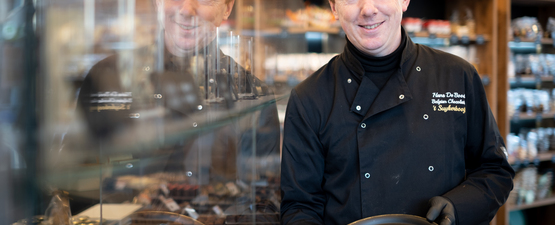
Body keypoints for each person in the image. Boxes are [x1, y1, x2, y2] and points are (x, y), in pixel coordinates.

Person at [280, 0, 515, 225]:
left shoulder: (457, 76)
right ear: (334, 7)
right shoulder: (309, 97)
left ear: (404, 0)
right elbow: (300, 207)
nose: (368, 9)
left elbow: (495, 170)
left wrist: (459, 207)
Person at [74, 0, 280, 212]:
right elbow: (76, 187)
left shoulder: (254, 96)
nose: (186, 10)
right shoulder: (108, 77)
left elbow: (262, 206)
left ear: (227, 8)